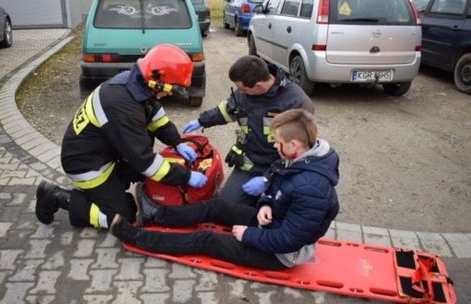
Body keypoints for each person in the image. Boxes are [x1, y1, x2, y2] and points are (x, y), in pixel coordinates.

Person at [111, 109, 339, 270]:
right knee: (215, 206)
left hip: (280, 253)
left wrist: (248, 235)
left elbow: (288, 240)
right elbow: (276, 184)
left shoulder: (313, 189)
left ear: (294, 145)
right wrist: (266, 203)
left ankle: (138, 238)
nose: (273, 145)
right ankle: (156, 215)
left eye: (277, 141)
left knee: (206, 240)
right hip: (273, 222)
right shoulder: (297, 158)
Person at [35, 44, 208, 229]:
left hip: (108, 153)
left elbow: (156, 117)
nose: (170, 93)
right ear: (157, 81)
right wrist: (186, 176)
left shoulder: (136, 84)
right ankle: (55, 196)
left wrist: (177, 142)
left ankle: (111, 192)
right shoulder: (121, 105)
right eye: (172, 89)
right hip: (87, 165)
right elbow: (145, 162)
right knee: (122, 217)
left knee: (150, 173)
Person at [183, 55, 314, 206]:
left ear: (258, 85)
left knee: (275, 212)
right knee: (227, 206)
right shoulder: (244, 93)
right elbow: (227, 111)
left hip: (282, 167)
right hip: (250, 163)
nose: (239, 92)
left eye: (242, 89)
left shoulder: (296, 101)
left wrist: (268, 178)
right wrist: (201, 120)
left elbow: (300, 151)